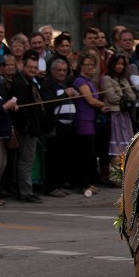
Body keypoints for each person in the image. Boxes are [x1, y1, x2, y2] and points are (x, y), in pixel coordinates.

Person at [9, 50, 47, 203]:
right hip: (25, 130)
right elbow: (23, 110)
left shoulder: (31, 82)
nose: (33, 69)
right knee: (25, 161)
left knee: (25, 161)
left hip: (31, 128)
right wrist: (27, 128)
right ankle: (25, 192)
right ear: (23, 67)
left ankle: (24, 190)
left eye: (35, 67)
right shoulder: (20, 83)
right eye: (30, 67)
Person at [40, 56, 79, 197]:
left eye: (64, 70)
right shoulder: (47, 84)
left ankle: (59, 184)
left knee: (63, 157)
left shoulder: (65, 84)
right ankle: (51, 187)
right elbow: (49, 103)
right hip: (55, 127)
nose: (62, 73)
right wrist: (64, 94)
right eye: (59, 70)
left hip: (67, 127)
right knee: (54, 158)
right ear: (52, 71)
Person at [72, 49, 109, 197]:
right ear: (81, 65)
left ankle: (89, 182)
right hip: (83, 121)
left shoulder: (90, 81)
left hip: (91, 121)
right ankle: (83, 183)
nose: (90, 67)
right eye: (87, 64)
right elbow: (90, 100)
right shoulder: (80, 81)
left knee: (91, 154)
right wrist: (102, 105)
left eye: (92, 65)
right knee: (85, 154)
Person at [99, 53, 136, 172]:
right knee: (115, 145)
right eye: (118, 64)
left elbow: (132, 96)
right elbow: (111, 97)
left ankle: (124, 171)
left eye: (122, 64)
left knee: (126, 144)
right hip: (114, 115)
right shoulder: (106, 78)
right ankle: (114, 172)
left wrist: (123, 94)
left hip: (124, 114)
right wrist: (123, 96)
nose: (120, 67)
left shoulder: (124, 79)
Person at [0, 57, 18, 207]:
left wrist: (11, 106)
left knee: (2, 163)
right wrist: (4, 107)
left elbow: (3, 104)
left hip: (2, 131)